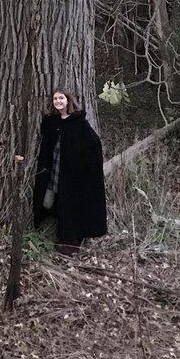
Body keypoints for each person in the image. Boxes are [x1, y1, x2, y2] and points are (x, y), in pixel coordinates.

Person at [33, 88, 107, 254]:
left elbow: (94, 144)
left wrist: (83, 164)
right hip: (54, 173)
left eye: (61, 98)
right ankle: (59, 236)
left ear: (68, 101)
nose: (58, 101)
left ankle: (70, 241)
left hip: (72, 176)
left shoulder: (78, 122)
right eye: (55, 99)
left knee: (69, 205)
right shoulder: (52, 122)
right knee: (47, 203)